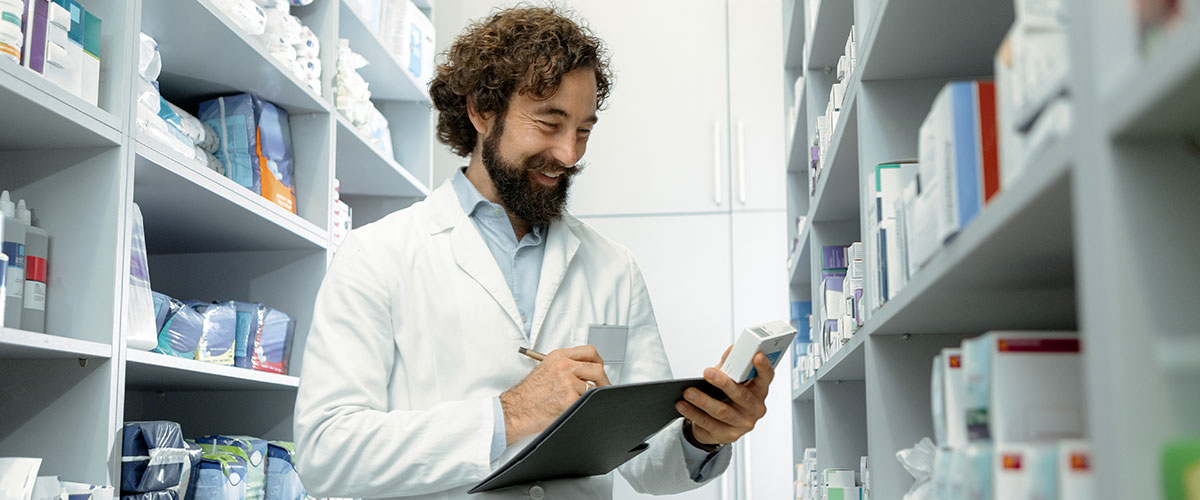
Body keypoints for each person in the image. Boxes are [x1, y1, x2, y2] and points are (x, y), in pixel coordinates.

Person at [293, 6, 774, 499]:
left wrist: (702, 434)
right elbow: (327, 453)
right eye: (549, 123)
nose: (569, 154)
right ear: (482, 111)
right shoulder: (378, 255)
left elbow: (648, 464)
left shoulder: (613, 268)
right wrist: (511, 414)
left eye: (584, 130)